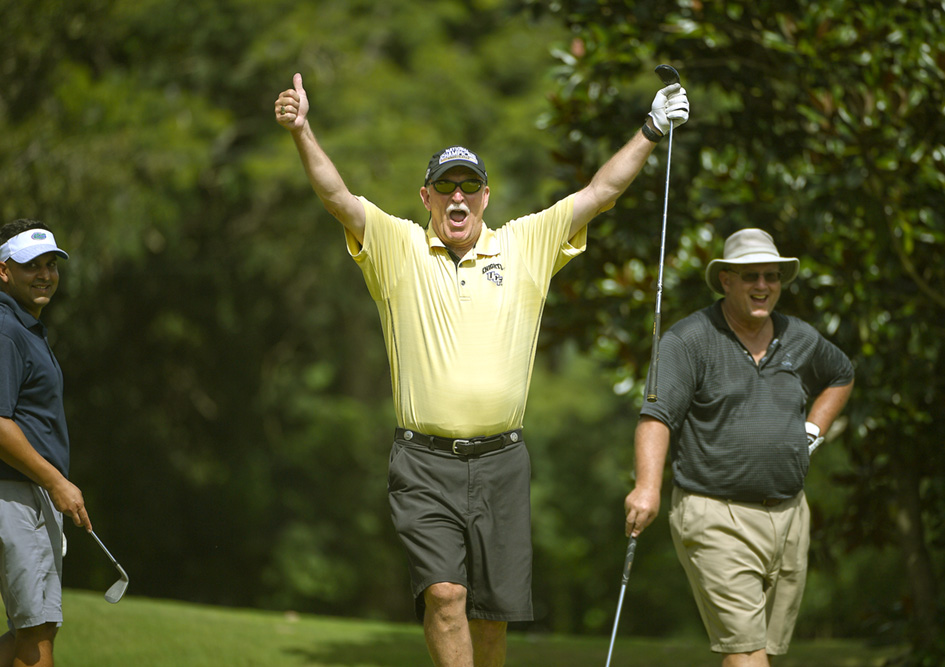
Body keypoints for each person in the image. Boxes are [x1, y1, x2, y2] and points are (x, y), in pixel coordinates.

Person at [274, 71, 689, 666]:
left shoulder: (525, 244)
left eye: (470, 185)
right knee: (445, 596)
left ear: (487, 196)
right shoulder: (400, 247)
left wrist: (650, 129)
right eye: (447, 187)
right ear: (427, 197)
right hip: (423, 461)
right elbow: (337, 197)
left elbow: (601, 192)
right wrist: (302, 130)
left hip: (502, 462)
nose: (459, 197)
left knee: (491, 617)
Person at [624, 228, 854, 667]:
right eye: (751, 276)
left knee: (754, 652)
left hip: (789, 515)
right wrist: (648, 487)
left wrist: (811, 432)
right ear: (726, 279)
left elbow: (841, 373)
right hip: (714, 514)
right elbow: (657, 415)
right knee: (747, 655)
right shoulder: (688, 340)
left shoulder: (799, 337)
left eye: (772, 276)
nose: (763, 286)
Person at [0, 220, 91, 667]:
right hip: (17, 494)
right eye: (30, 265)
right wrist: (56, 481)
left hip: (27, 494)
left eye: (50, 264)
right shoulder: (6, 329)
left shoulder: (25, 327)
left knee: (32, 631)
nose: (44, 274)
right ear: (3, 271)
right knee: (36, 637)